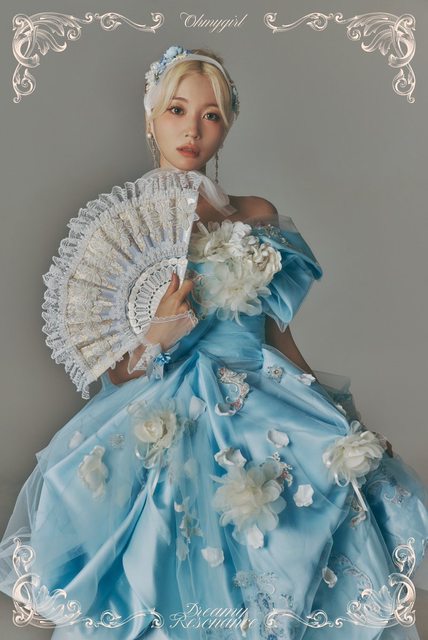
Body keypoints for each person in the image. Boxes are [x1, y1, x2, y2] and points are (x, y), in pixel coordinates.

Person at [0, 44, 427, 640]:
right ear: (151, 117)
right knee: (167, 543)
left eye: (211, 115)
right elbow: (117, 373)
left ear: (227, 126)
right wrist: (155, 334)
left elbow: (276, 330)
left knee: (319, 504)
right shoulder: (126, 225)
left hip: (261, 388)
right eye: (177, 110)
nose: (192, 130)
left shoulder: (256, 213)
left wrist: (338, 414)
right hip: (168, 397)